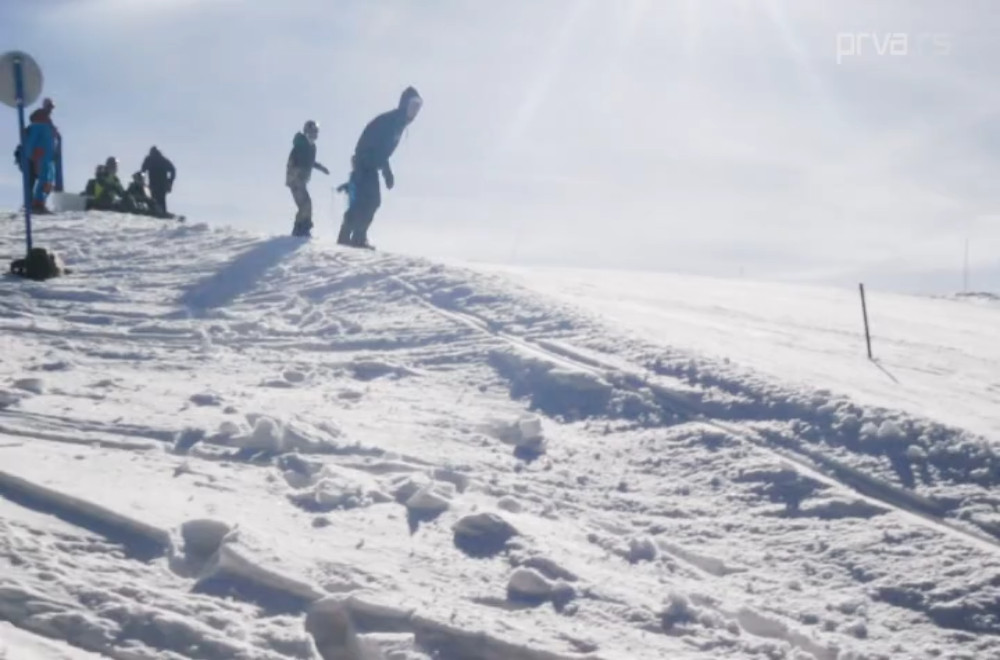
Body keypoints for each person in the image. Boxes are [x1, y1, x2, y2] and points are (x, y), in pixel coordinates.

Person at [336, 86, 422, 249]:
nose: (416, 110)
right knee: (367, 201)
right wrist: (385, 170)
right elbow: (375, 145)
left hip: (371, 164)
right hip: (365, 162)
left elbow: (383, 152)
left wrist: (386, 170)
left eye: (419, 106)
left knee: (372, 202)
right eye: (413, 105)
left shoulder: (399, 123)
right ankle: (347, 238)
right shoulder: (392, 121)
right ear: (404, 104)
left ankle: (356, 238)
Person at [286, 120, 329, 237]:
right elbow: (292, 162)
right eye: (313, 132)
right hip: (296, 179)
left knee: (305, 204)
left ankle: (301, 228)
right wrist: (295, 175)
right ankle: (301, 229)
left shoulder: (311, 147)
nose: (315, 135)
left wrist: (321, 168)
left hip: (301, 179)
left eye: (316, 132)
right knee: (305, 203)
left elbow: (310, 162)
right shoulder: (301, 144)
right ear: (307, 131)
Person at [140, 147, 176, 214]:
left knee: (158, 199)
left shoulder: (158, 160)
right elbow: (143, 171)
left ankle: (160, 212)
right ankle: (159, 212)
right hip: (157, 185)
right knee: (156, 199)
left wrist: (170, 182)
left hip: (159, 185)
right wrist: (170, 181)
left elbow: (142, 171)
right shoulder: (157, 160)